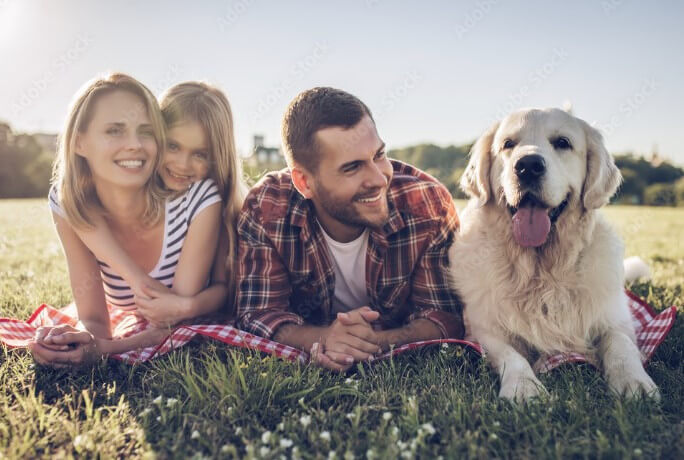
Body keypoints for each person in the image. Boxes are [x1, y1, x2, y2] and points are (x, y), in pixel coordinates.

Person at [236, 87, 464, 372]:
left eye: (379, 155)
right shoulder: (267, 207)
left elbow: (445, 315)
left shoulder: (426, 203)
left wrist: (375, 341)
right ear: (304, 182)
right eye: (353, 167)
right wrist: (323, 338)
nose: (379, 179)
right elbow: (258, 312)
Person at [30, 75, 243, 366]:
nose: (133, 145)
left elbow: (170, 322)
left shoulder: (198, 198)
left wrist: (103, 348)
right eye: (172, 146)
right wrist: (80, 341)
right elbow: (93, 319)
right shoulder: (71, 203)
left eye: (144, 131)